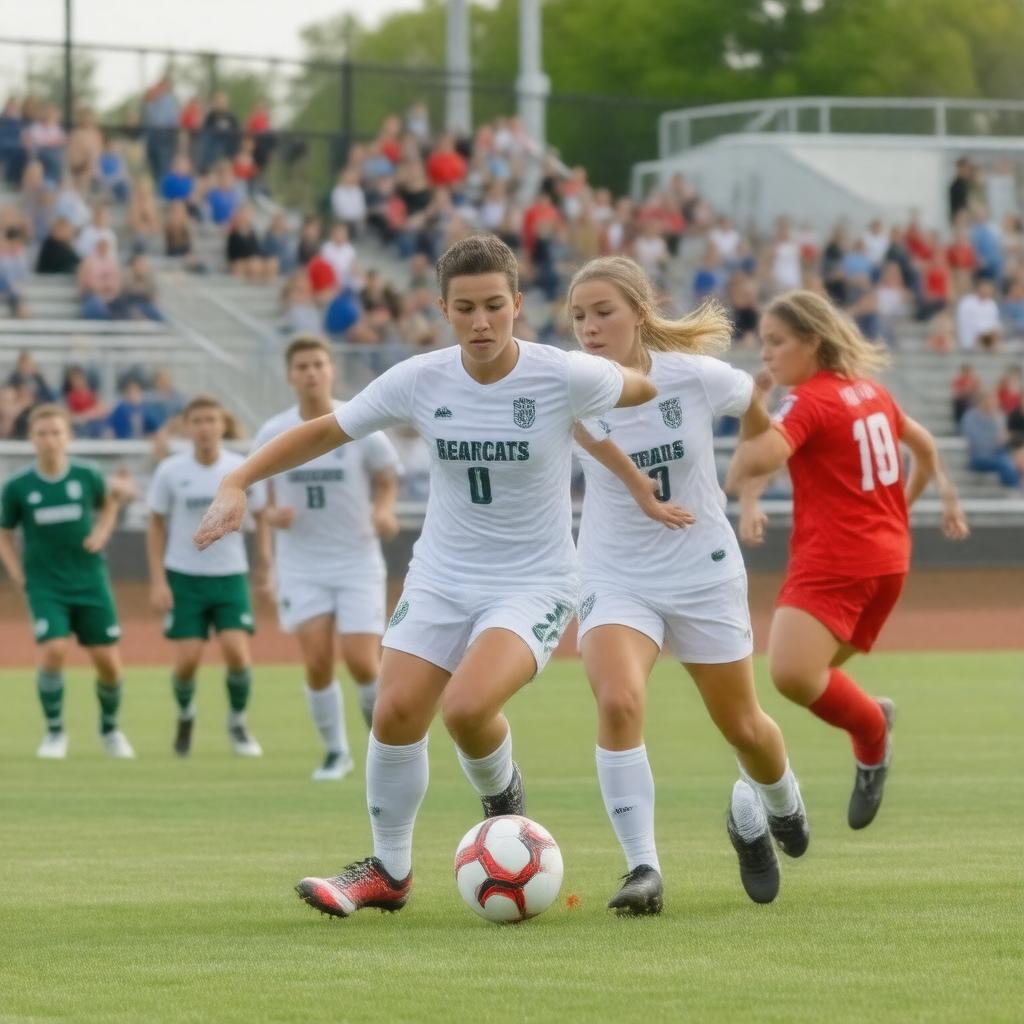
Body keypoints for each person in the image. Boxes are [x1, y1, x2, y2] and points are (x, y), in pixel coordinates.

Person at [192, 235, 681, 919]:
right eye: (464, 308)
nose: (480, 322)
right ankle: (388, 873)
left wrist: (623, 379)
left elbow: (641, 384)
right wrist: (240, 477)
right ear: (443, 310)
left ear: (516, 304)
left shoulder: (562, 374)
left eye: (493, 306)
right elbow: (329, 432)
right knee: (393, 713)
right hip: (441, 574)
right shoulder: (420, 379)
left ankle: (503, 799)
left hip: (535, 581)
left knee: (467, 709)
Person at [569, 257, 808, 911]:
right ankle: (642, 869)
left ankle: (783, 803)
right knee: (618, 701)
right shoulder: (567, 388)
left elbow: (760, 426)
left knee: (743, 726)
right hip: (615, 573)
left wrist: (752, 488)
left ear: (640, 313)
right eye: (579, 316)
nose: (589, 328)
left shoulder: (700, 379)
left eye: (603, 312)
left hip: (701, 570)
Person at [726, 291, 969, 830]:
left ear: (813, 342)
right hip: (887, 562)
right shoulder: (869, 390)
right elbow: (925, 448)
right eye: (763, 342)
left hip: (835, 561)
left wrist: (750, 408)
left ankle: (872, 733)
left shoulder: (809, 400)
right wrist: (903, 509)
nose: (765, 353)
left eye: (776, 342)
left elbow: (751, 461)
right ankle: (870, 722)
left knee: (791, 674)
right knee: (814, 674)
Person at [252, 336, 402, 780]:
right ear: (290, 375)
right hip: (302, 564)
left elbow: (387, 475)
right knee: (317, 660)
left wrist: (383, 508)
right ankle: (336, 753)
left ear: (331, 369)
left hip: (356, 558)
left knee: (361, 660)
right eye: (302, 366)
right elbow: (259, 496)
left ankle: (385, 749)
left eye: (319, 364)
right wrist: (272, 515)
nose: (312, 372)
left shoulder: (357, 421)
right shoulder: (272, 431)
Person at [0, 404, 136, 759]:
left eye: (56, 432)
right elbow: (4, 531)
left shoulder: (86, 475)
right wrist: (16, 572)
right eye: (42, 433)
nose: (49, 440)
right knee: (54, 650)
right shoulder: (18, 486)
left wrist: (103, 531)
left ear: (69, 436)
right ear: (31, 438)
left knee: (108, 662)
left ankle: (110, 730)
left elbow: (113, 500)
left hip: (90, 581)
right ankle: (55, 732)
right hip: (45, 584)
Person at [145, 396, 269, 757]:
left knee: (236, 653)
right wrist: (158, 580)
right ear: (186, 425)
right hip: (184, 575)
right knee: (187, 660)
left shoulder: (240, 468)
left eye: (211, 420)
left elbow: (260, 515)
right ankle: (185, 715)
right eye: (197, 420)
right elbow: (155, 524)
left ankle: (238, 722)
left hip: (229, 575)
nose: (204, 427)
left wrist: (265, 561)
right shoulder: (170, 470)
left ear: (222, 424)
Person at [960, 391, 1022, 488]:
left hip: (999, 453)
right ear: (982, 402)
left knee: (1018, 458)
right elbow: (976, 442)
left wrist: (1005, 439)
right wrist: (996, 440)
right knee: (1005, 463)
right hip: (980, 456)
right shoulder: (970, 418)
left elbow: (1003, 438)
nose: (994, 405)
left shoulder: (998, 417)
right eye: (991, 402)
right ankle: (1015, 489)